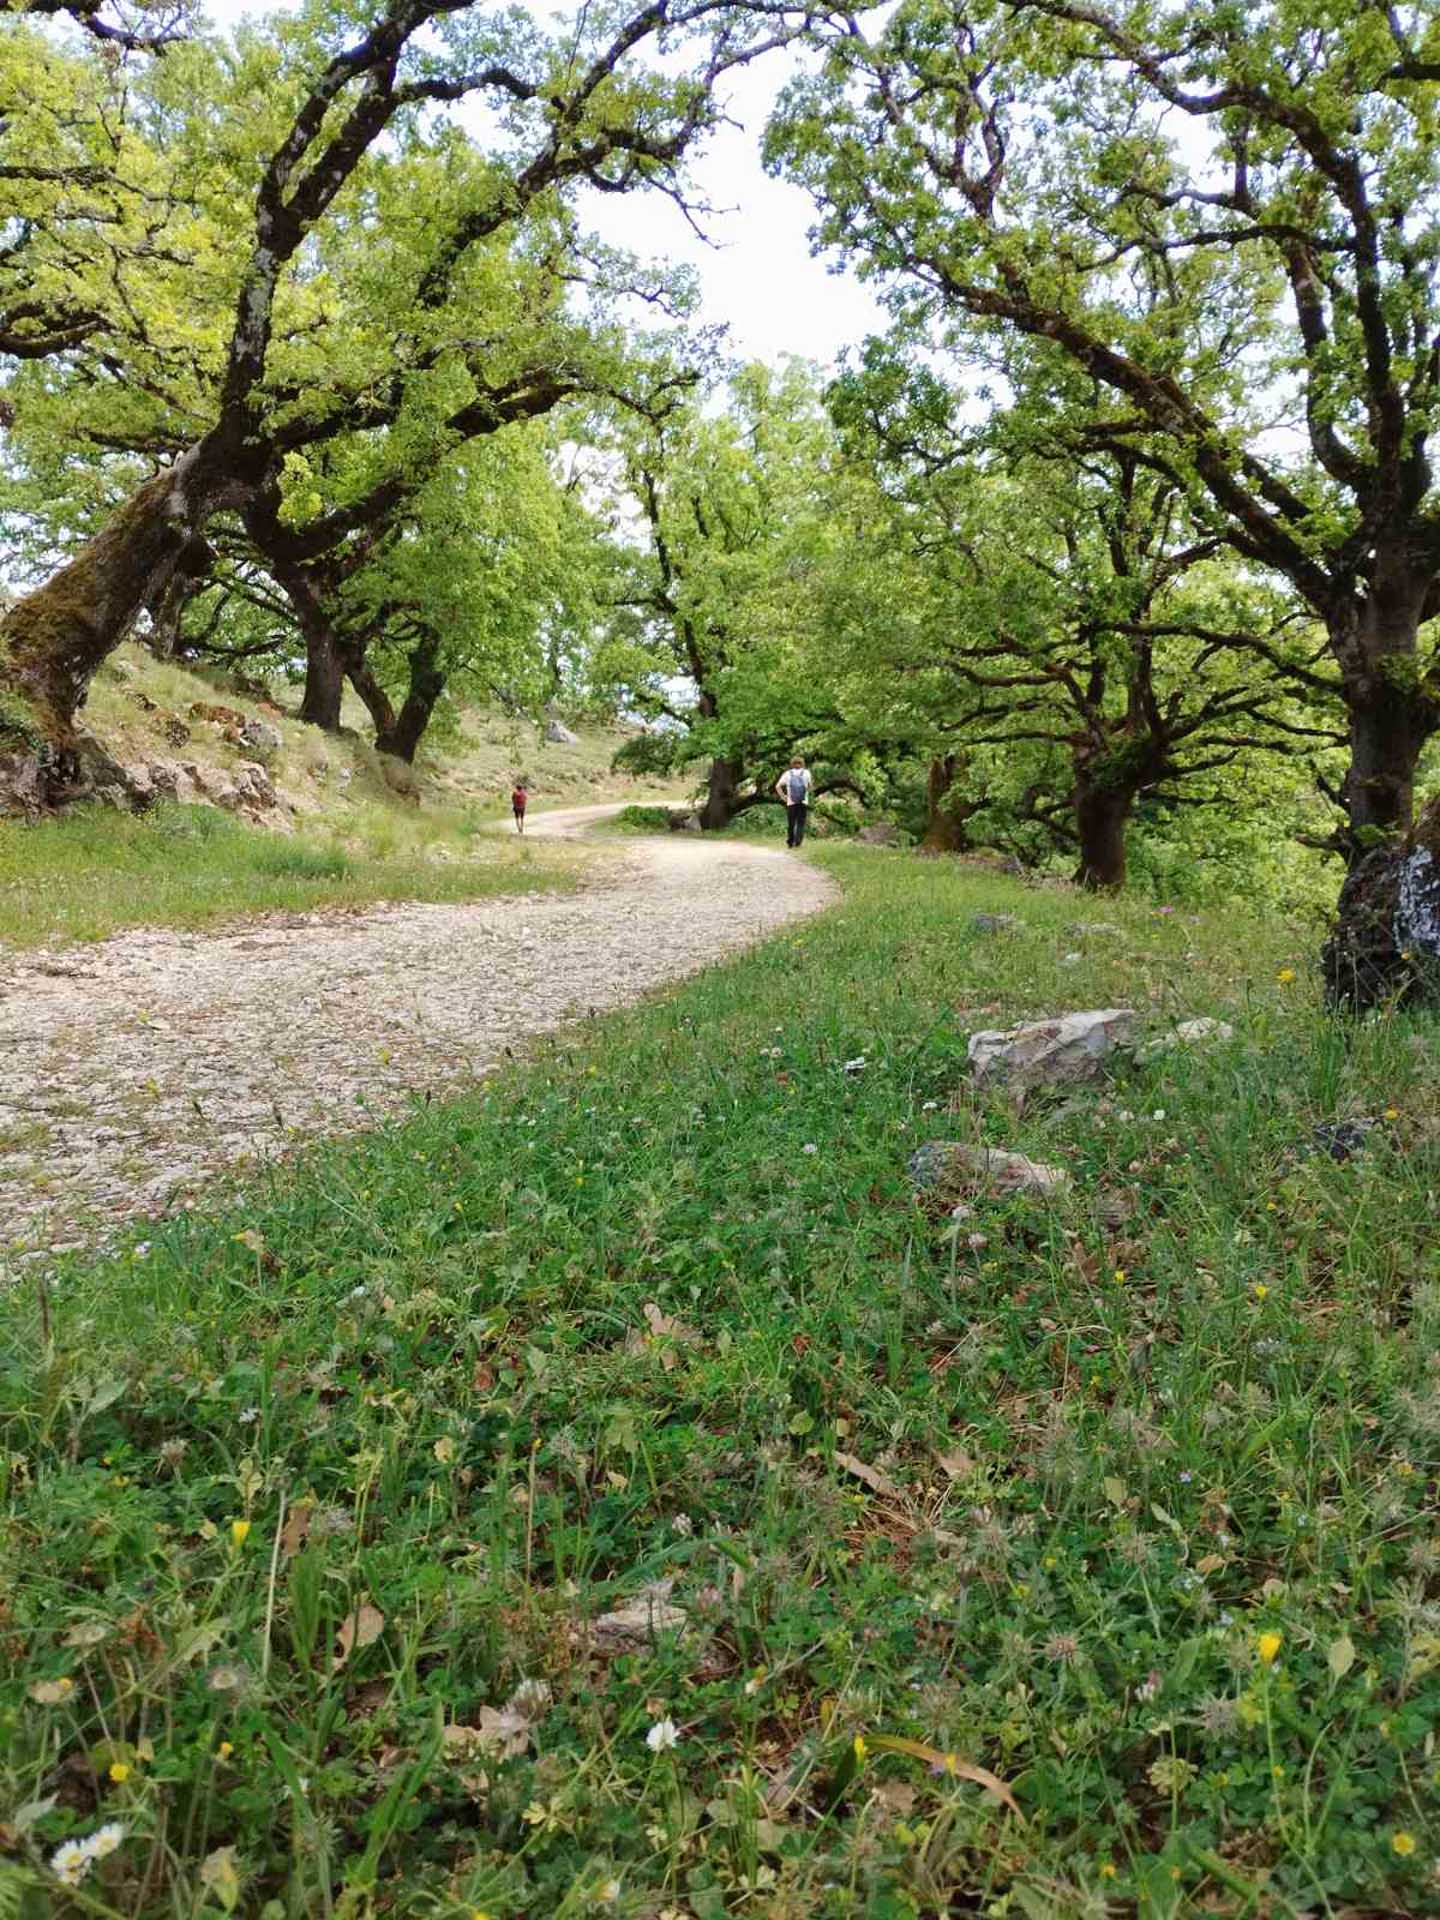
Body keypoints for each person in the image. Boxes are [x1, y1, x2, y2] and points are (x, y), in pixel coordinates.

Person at [775, 755, 813, 847]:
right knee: (800, 823)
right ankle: (798, 842)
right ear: (802, 764)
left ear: (792, 764)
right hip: (803, 801)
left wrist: (783, 796)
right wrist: (806, 792)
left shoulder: (787, 773)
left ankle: (790, 842)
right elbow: (810, 786)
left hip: (791, 802)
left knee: (791, 823)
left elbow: (777, 786)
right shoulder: (807, 773)